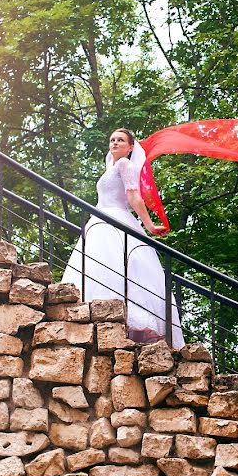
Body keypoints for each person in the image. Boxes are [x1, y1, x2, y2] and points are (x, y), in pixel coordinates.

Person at [62, 128, 185, 349]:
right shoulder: (111, 166)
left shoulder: (124, 165)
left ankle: (124, 320)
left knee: (123, 266)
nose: (115, 143)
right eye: (112, 140)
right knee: (101, 266)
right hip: (101, 220)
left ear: (130, 147)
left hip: (117, 219)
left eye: (120, 140)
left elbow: (133, 196)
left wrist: (147, 225)